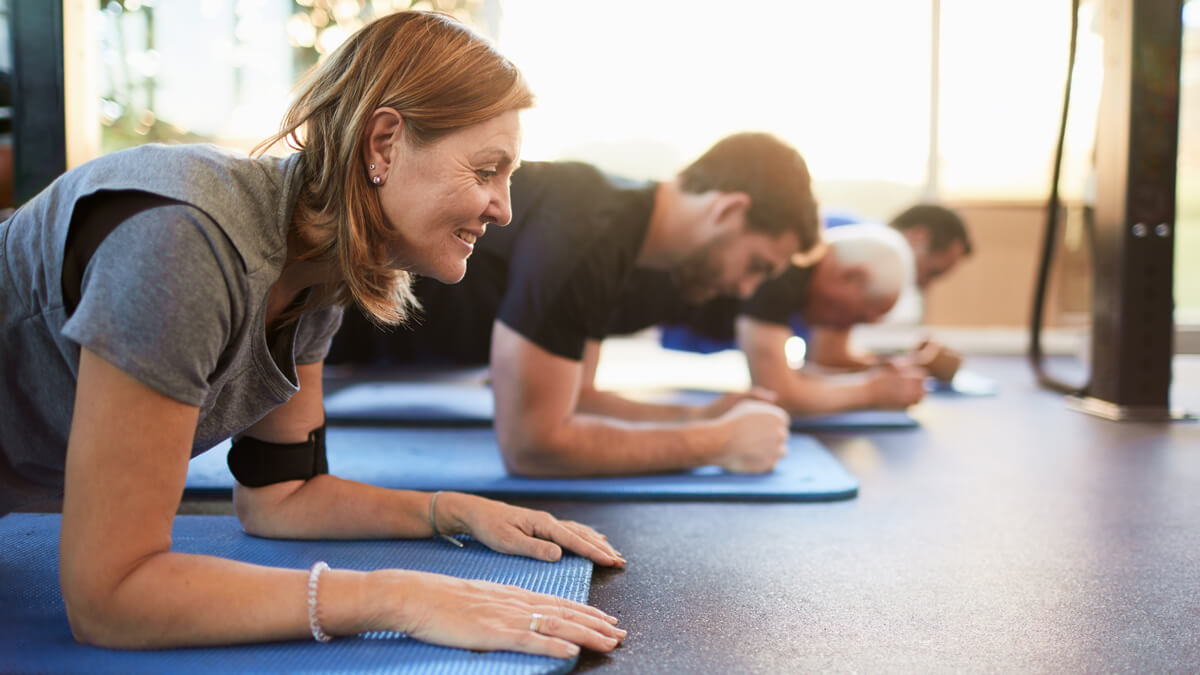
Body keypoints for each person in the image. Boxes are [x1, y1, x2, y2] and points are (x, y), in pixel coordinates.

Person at [0, 11, 626, 657]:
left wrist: (455, 511)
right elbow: (111, 596)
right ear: (384, 144)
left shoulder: (316, 273)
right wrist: (397, 598)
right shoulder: (181, 241)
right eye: (488, 169)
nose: (505, 207)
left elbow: (282, 495)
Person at [328, 132, 823, 477]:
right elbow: (534, 446)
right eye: (757, 264)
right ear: (729, 210)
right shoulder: (590, 229)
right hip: (309, 338)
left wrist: (704, 416)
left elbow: (576, 398)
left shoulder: (625, 236)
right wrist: (718, 444)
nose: (744, 289)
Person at [609, 223, 928, 416]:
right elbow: (779, 392)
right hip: (610, 298)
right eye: (858, 315)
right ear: (851, 277)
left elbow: (825, 360)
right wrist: (873, 391)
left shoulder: (809, 275)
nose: (848, 326)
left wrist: (886, 371)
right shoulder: (787, 269)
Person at [804, 204, 972, 369]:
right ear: (920, 236)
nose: (926, 286)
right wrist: (918, 364)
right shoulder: (866, 252)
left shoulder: (859, 230)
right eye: (933, 272)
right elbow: (828, 358)